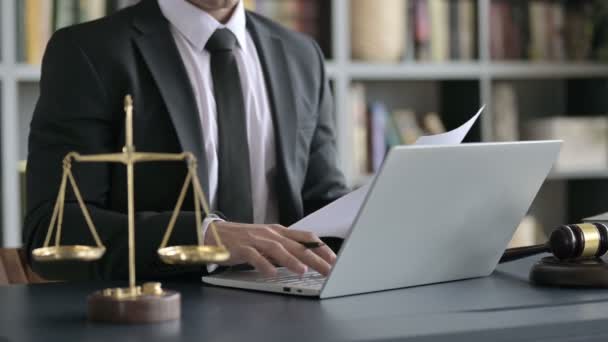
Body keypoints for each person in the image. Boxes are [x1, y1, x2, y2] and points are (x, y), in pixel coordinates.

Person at [24, 0, 348, 281]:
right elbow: (51, 230)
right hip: (162, 312)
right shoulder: (89, 50)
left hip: (293, 301)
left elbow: (326, 203)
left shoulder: (301, 54)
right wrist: (205, 237)